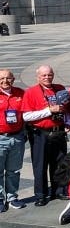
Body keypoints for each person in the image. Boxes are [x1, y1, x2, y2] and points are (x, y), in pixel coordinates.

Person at [21, 65, 70, 205]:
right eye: (44, 75)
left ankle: (59, 190)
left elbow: (67, 109)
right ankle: (40, 195)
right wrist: (49, 110)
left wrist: (67, 122)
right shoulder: (31, 92)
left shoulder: (60, 88)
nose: (47, 77)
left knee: (59, 163)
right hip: (40, 133)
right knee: (40, 165)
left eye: (49, 75)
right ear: (38, 77)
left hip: (58, 131)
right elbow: (26, 116)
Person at [0, 69, 28, 210]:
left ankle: (12, 197)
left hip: (16, 137)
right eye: (2, 78)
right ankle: (0, 199)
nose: (5, 81)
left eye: (8, 78)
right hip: (0, 137)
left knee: (14, 170)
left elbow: (27, 114)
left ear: (13, 79)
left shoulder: (20, 93)